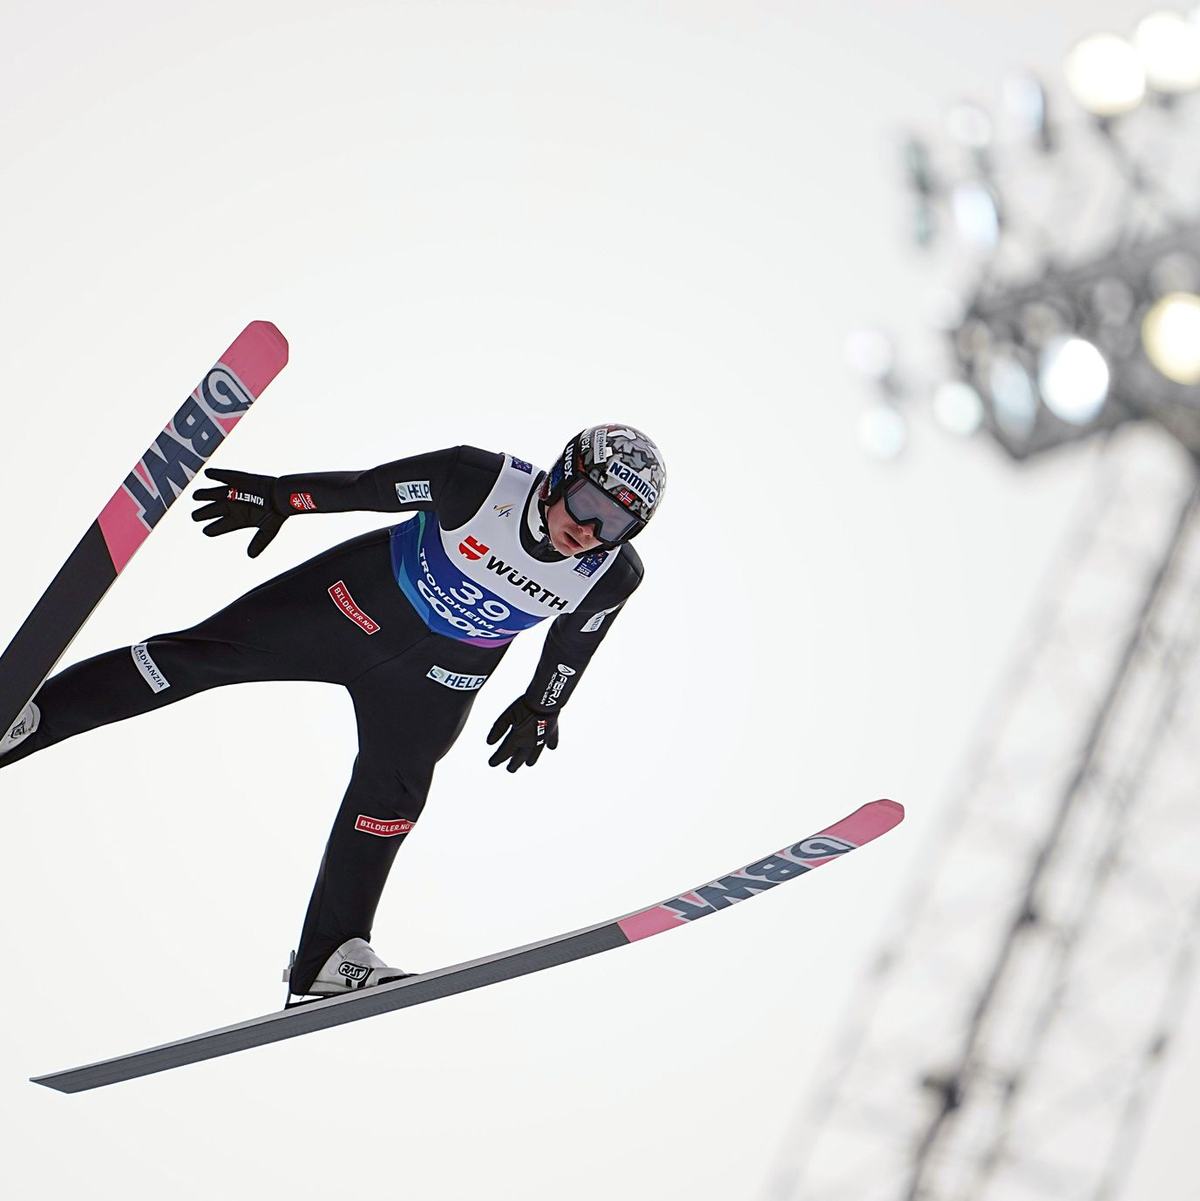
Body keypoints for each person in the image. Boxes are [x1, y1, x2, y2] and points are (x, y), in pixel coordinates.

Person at [0, 425, 665, 999]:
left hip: (438, 677)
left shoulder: (610, 573)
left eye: (615, 525)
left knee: (394, 797)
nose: (590, 530)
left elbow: (575, 642)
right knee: (198, 657)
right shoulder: (479, 480)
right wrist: (281, 496)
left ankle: (330, 956)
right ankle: (30, 719)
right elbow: (366, 488)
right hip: (348, 605)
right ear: (561, 475)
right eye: (587, 505)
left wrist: (541, 708)